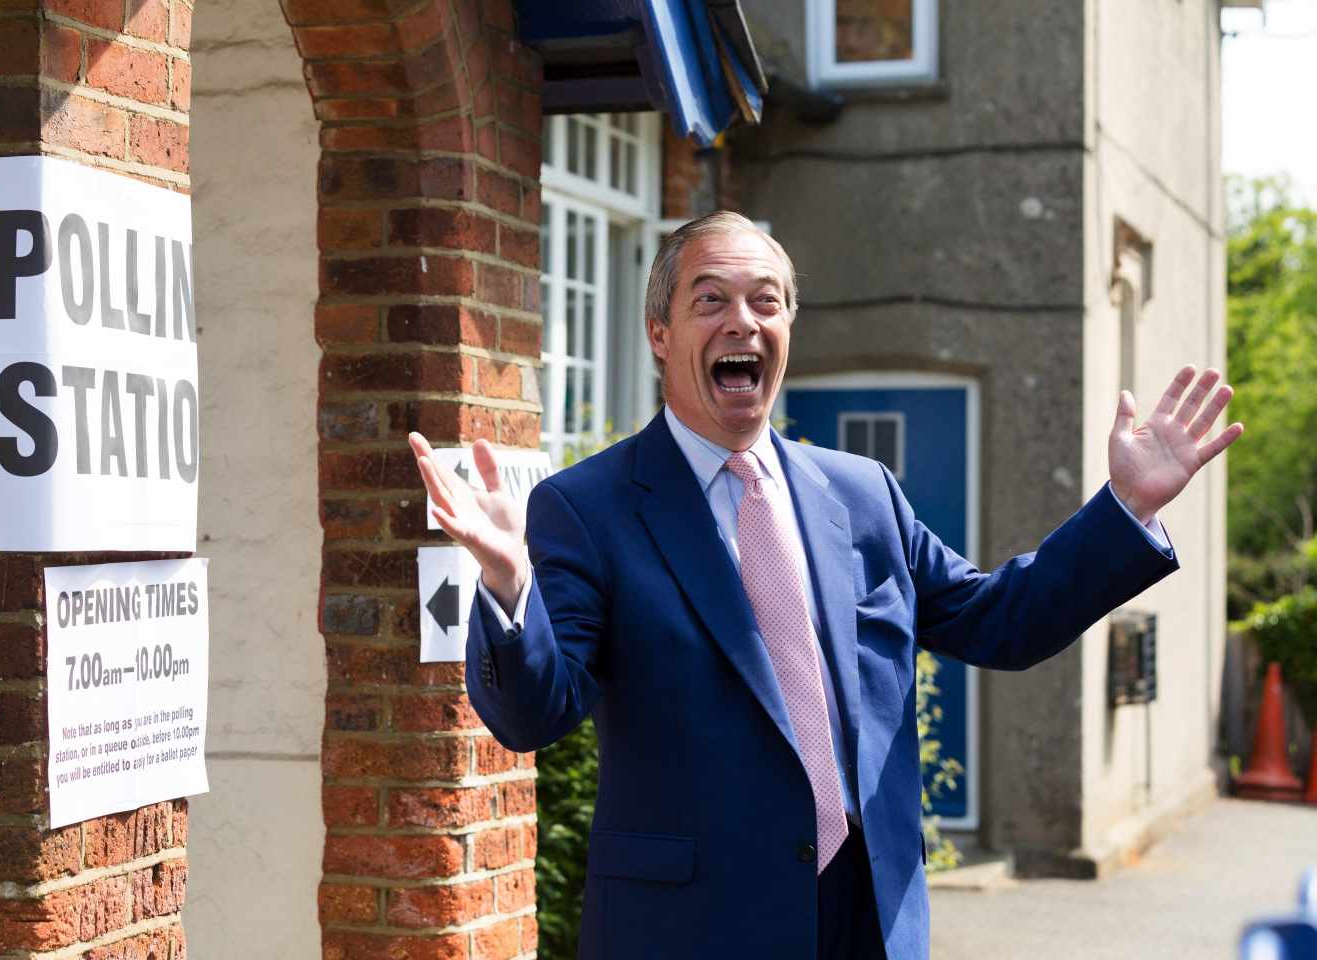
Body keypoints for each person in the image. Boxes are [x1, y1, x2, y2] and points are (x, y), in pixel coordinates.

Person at [407, 211, 1242, 960]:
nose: (745, 320)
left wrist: (1124, 508)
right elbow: (533, 712)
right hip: (692, 930)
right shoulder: (589, 509)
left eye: (767, 301)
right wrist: (509, 580)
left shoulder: (862, 494)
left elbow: (1002, 622)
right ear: (660, 332)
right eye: (712, 301)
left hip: (868, 917)